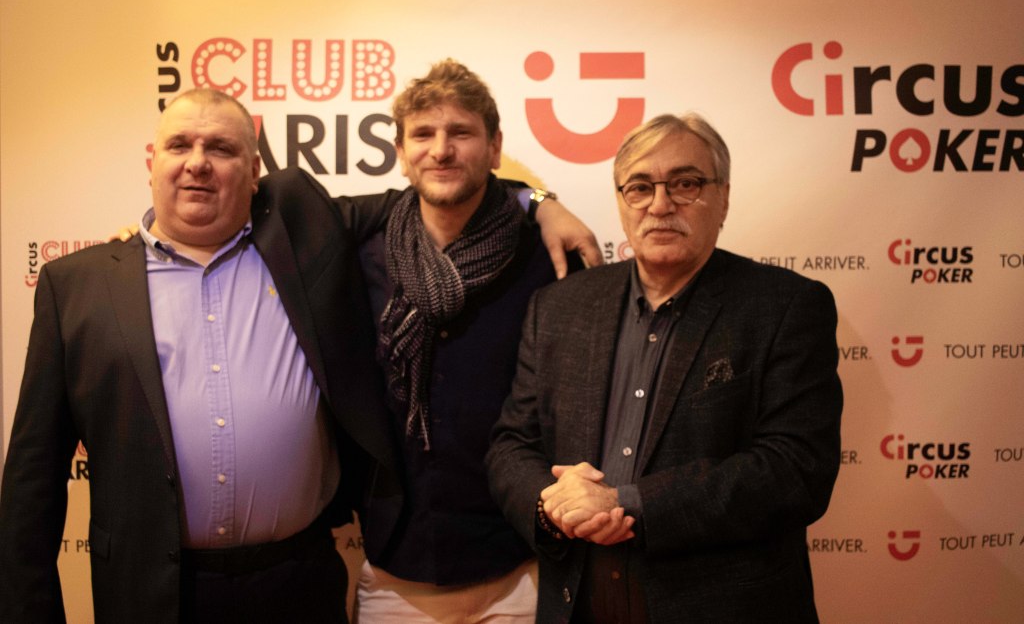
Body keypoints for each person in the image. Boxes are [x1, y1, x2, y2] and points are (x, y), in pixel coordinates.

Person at [0, 87, 596, 624]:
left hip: (298, 583)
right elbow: (33, 479)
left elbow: (435, 193)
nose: (198, 162)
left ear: (255, 170)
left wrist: (537, 200)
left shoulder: (302, 239)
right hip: (150, 590)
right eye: (179, 144)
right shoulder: (79, 286)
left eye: (222, 148)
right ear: (151, 160)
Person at [487, 112, 844, 622]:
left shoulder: (785, 306)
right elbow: (511, 445)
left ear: (723, 198)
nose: (660, 204)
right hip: (579, 606)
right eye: (639, 187)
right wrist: (550, 504)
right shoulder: (559, 307)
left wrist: (629, 503)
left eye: (685, 183)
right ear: (621, 202)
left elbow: (796, 468)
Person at [353, 60, 584, 622]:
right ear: (401, 153)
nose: (441, 150)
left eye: (461, 132)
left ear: (495, 146)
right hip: (396, 571)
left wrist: (540, 201)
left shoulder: (550, 256)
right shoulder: (361, 253)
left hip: (520, 563)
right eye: (423, 135)